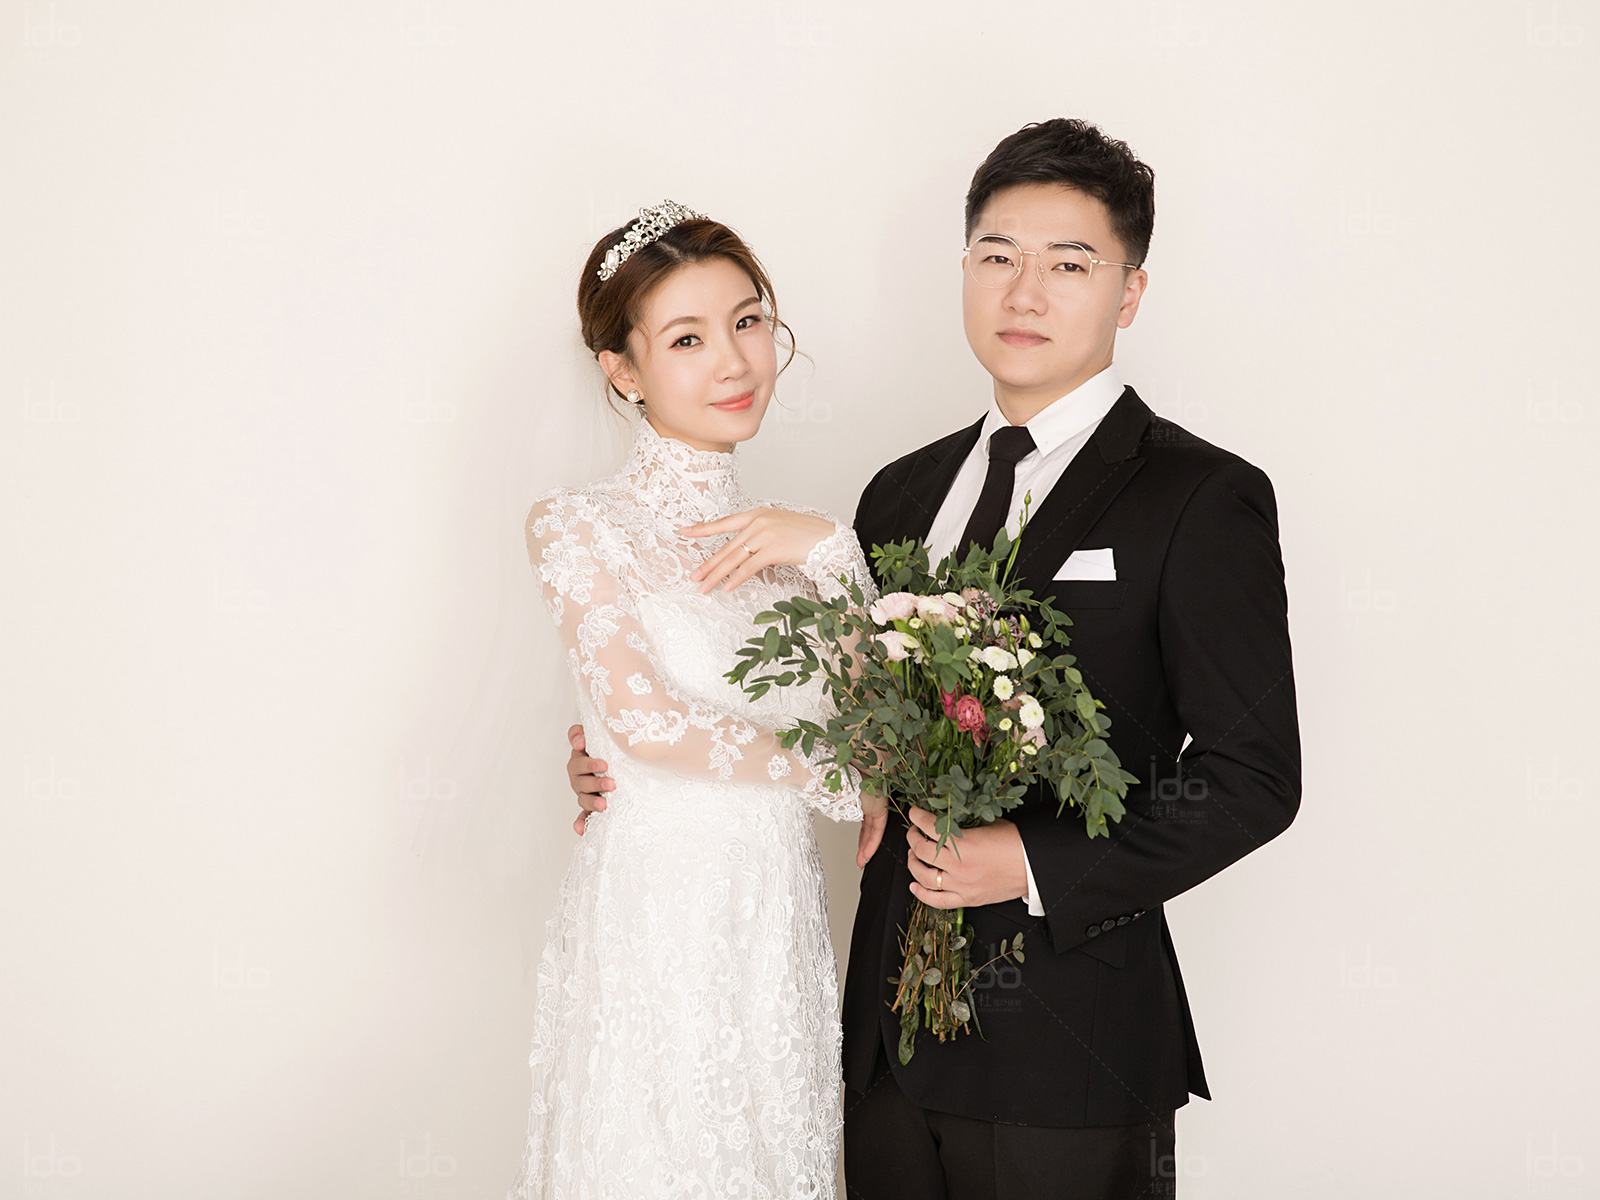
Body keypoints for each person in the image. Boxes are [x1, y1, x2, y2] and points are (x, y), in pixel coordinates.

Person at [567, 120, 1303, 1198]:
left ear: (1130, 293)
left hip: (1070, 1049)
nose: (1025, 292)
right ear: (964, 268)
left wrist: (1037, 864)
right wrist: (630, 763)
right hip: (880, 1047)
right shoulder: (897, 494)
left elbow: (1252, 778)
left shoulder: (1199, 495)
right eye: (998, 256)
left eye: (1069, 265)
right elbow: (843, 713)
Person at [507, 201, 888, 1199]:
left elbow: (883, 734)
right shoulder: (580, 526)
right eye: (687, 338)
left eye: (748, 321)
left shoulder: (798, 547)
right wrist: (831, 773)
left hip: (774, 916)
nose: (733, 360)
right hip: (659, 912)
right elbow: (644, 721)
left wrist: (835, 556)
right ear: (623, 370)